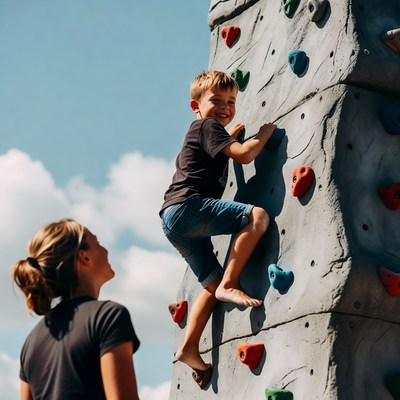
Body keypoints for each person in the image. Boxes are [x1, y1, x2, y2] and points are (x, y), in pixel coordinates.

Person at [160, 70, 277, 389]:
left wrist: (232, 135)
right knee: (258, 217)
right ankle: (231, 282)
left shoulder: (207, 130)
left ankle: (189, 348)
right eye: (216, 101)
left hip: (174, 220)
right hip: (188, 207)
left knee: (209, 287)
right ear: (195, 106)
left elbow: (225, 151)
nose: (225, 107)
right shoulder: (206, 126)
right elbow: (245, 155)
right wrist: (263, 135)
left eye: (231, 101)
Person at [12, 218, 140, 400]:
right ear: (84, 257)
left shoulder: (30, 343)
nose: (106, 250)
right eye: (97, 242)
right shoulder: (108, 317)